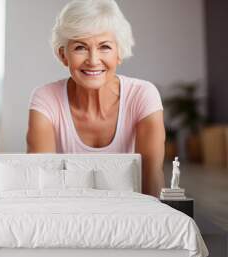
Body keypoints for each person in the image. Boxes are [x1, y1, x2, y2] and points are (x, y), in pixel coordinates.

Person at [26, 0, 165, 197]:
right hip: (66, 213)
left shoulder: (143, 95)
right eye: (80, 47)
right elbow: (42, 186)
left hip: (130, 213)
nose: (93, 60)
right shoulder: (45, 99)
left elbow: (150, 179)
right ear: (63, 55)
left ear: (120, 53)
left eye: (105, 47)